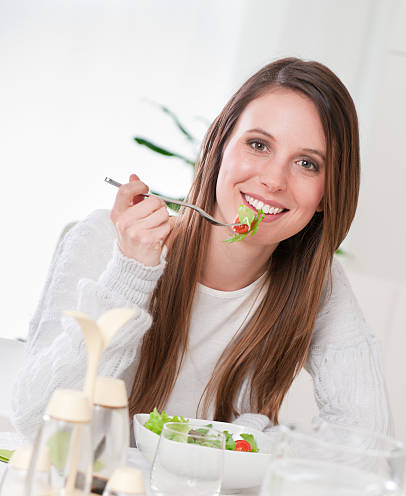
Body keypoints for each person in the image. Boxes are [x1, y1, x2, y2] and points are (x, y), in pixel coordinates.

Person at [12, 57, 391, 440]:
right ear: (220, 146)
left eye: (307, 164)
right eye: (258, 145)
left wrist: (264, 445)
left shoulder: (319, 283)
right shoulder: (106, 239)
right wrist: (130, 274)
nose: (274, 180)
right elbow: (36, 422)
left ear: (328, 194)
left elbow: (366, 442)